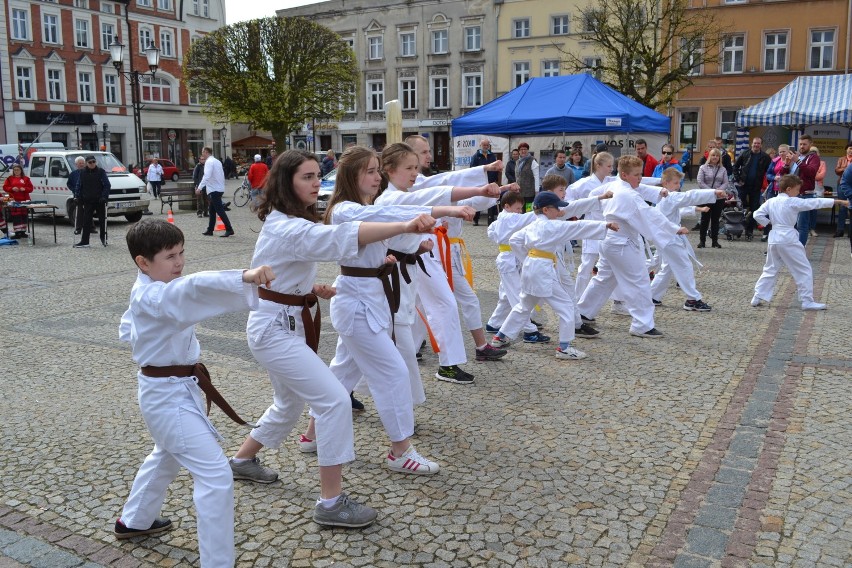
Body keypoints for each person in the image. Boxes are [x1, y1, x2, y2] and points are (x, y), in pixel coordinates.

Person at [228, 149, 433, 527]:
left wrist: (312, 286)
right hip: (275, 330)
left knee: (288, 405)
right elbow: (339, 238)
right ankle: (331, 503)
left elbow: (291, 265)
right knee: (335, 401)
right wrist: (404, 226)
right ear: (285, 183)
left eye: (315, 176)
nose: (314, 183)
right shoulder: (289, 227)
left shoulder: (289, 220)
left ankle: (241, 460)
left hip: (283, 321)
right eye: (305, 177)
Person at [300, 145, 473, 476]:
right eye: (370, 171)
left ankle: (311, 435)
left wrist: (413, 239)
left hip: (367, 300)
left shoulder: (364, 207)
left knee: (342, 374)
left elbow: (390, 232)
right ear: (352, 176)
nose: (377, 177)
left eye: (378, 170)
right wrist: (435, 212)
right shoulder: (344, 211)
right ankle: (400, 451)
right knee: (394, 372)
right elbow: (385, 219)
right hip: (357, 305)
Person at [115, 218, 275, 568]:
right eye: (170, 256)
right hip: (166, 397)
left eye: (182, 252)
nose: (179, 262)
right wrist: (243, 277)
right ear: (143, 262)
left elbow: (131, 325)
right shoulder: (155, 294)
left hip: (171, 390)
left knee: (167, 454)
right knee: (216, 475)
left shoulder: (148, 288)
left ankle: (135, 520)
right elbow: (195, 288)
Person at [490, 191, 617, 359]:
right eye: (557, 208)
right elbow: (577, 227)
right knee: (566, 307)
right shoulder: (552, 226)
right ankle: (564, 348)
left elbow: (514, 240)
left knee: (524, 305)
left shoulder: (533, 225)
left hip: (531, 267)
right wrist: (604, 225)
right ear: (546, 210)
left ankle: (500, 337)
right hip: (542, 270)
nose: (559, 211)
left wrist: (526, 257)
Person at [576, 155, 687, 338]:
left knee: (604, 279)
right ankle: (642, 324)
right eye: (636, 174)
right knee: (640, 281)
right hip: (621, 244)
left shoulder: (615, 185)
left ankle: (583, 313)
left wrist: (658, 192)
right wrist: (673, 228)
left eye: (641, 173)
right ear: (624, 175)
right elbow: (650, 215)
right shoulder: (628, 194)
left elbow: (598, 194)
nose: (640, 177)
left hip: (609, 241)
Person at [751, 174, 848, 310]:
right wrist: (837, 202)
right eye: (797, 190)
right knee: (803, 269)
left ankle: (757, 296)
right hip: (788, 238)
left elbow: (757, 214)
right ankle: (807, 301)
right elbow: (814, 203)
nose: (798, 193)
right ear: (789, 189)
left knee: (770, 268)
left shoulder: (771, 201)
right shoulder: (792, 201)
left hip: (774, 238)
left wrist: (769, 223)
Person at [649, 168, 727, 310]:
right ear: (666, 183)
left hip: (667, 237)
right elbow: (690, 196)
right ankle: (692, 300)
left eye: (679, 183)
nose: (678, 186)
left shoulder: (665, 198)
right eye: (676, 183)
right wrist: (714, 192)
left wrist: (698, 209)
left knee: (667, 268)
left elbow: (681, 207)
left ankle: (652, 296)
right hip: (670, 238)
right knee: (684, 266)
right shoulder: (670, 197)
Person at [732, 137, 771, 240]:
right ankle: (738, 229)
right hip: (743, 186)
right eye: (754, 143)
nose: (756, 145)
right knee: (740, 208)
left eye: (758, 143)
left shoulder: (765, 157)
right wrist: (738, 179)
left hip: (756, 187)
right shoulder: (745, 153)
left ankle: (749, 231)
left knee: (754, 210)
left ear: (761, 145)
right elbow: (735, 167)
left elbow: (770, 171)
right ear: (751, 144)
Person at [696, 148, 731, 249]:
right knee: (704, 219)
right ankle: (702, 241)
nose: (715, 157)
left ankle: (715, 241)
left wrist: (719, 191)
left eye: (717, 156)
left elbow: (725, 182)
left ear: (719, 157)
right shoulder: (703, 167)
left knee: (715, 220)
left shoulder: (723, 169)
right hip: (706, 197)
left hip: (719, 198)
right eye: (713, 155)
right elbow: (700, 182)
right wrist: (712, 191)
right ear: (709, 156)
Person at [73, 156, 111, 248]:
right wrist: (77, 196)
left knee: (102, 220)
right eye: (90, 162)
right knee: (86, 221)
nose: (92, 163)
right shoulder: (82, 172)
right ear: (86, 163)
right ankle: (85, 241)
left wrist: (104, 196)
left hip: (99, 200)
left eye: (94, 161)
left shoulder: (101, 172)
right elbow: (79, 185)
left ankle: (103, 238)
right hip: (87, 200)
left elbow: (107, 185)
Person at [198, 147, 234, 237]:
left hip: (213, 189)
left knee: (220, 210)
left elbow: (206, 176)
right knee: (212, 210)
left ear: (206, 152)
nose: (202, 154)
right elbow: (222, 174)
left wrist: (199, 188)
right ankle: (210, 229)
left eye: (203, 152)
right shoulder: (217, 161)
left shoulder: (209, 162)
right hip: (218, 188)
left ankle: (229, 229)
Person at [792, 135, 820, 245]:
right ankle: (788, 249)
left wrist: (798, 161)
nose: (802, 146)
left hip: (804, 195)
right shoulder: (796, 156)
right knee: (790, 224)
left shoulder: (813, 157)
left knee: (802, 225)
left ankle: (799, 250)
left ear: (810, 144)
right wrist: (786, 164)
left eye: (804, 144)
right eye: (800, 144)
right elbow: (786, 174)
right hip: (791, 194)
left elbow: (811, 172)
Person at [470, 138, 499, 225]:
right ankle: (476, 219)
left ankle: (491, 218)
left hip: (491, 181)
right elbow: (472, 170)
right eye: (484, 145)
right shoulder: (475, 156)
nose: (486, 147)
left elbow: (496, 168)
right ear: (480, 146)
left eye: (487, 145)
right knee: (478, 200)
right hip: (480, 183)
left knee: (491, 200)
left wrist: (495, 178)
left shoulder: (492, 156)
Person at [0, 164, 34, 239]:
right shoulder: (9, 179)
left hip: (24, 200)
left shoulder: (26, 179)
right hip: (14, 200)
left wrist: (24, 189)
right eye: (15, 170)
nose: (16, 171)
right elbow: (5, 187)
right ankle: (17, 232)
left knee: (24, 215)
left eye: (18, 170)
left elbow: (31, 188)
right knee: (16, 216)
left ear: (21, 170)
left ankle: (23, 231)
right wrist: (12, 188)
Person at [833, 143, 852, 237]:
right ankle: (840, 230)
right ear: (846, 149)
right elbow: (837, 171)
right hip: (842, 184)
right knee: (842, 207)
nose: (851, 150)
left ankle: (850, 232)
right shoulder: (841, 159)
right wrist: (848, 168)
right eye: (850, 148)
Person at [515, 142, 539, 211]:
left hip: (530, 193)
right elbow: (517, 176)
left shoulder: (532, 161)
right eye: (521, 149)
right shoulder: (517, 162)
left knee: (528, 211)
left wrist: (537, 191)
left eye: (525, 149)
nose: (523, 151)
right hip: (520, 192)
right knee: (520, 210)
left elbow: (536, 177)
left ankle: (529, 222)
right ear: (519, 151)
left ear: (528, 150)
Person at [67, 156, 87, 235]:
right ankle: (78, 228)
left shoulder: (87, 172)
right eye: (80, 163)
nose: (81, 164)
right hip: (78, 195)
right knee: (79, 212)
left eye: (83, 163)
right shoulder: (73, 174)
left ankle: (91, 227)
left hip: (87, 195)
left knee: (88, 212)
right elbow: (69, 184)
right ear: (76, 165)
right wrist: (74, 190)